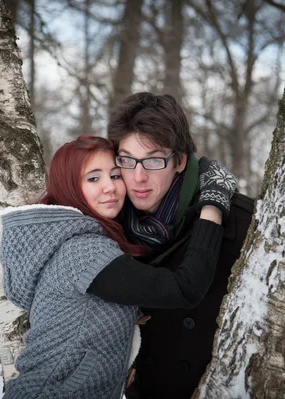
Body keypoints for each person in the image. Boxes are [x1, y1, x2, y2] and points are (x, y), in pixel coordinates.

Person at [0, 135, 237, 399]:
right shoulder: (83, 253)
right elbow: (184, 288)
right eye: (93, 178)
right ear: (70, 187)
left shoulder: (85, 244)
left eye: (114, 176)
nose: (110, 187)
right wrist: (213, 205)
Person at [106, 92, 255, 399]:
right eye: (127, 159)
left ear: (180, 161)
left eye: (154, 159)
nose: (138, 177)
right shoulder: (108, 225)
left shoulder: (242, 222)